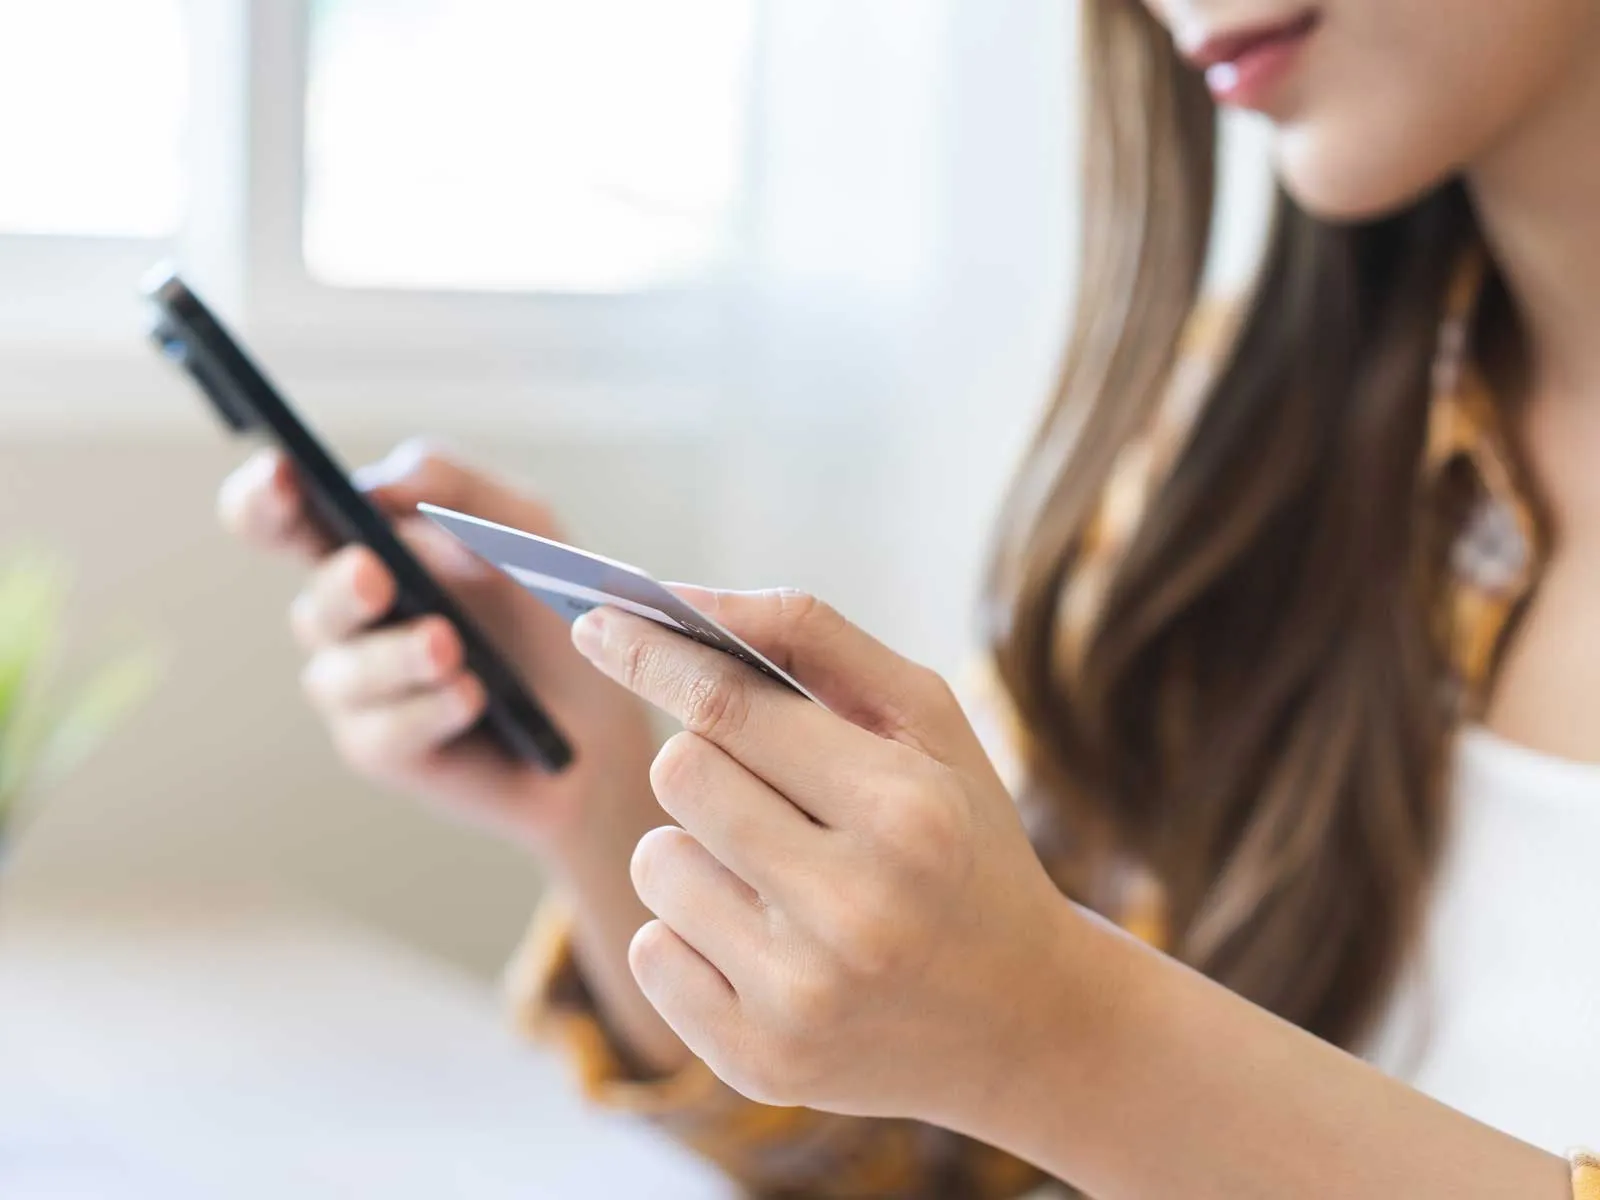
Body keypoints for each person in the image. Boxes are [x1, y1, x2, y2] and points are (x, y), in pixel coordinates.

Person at [220, 0, 1600, 1195]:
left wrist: (1061, 1036)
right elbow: (937, 1149)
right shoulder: (1251, 451)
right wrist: (617, 807)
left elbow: (1040, 1058)